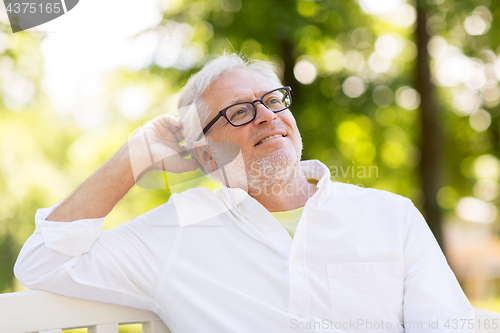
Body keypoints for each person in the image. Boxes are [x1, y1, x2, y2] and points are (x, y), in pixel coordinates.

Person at [14, 54, 474, 332]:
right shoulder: (178, 230)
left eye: (273, 101)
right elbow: (43, 261)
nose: (267, 116)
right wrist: (132, 157)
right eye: (238, 112)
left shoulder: (388, 216)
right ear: (207, 157)